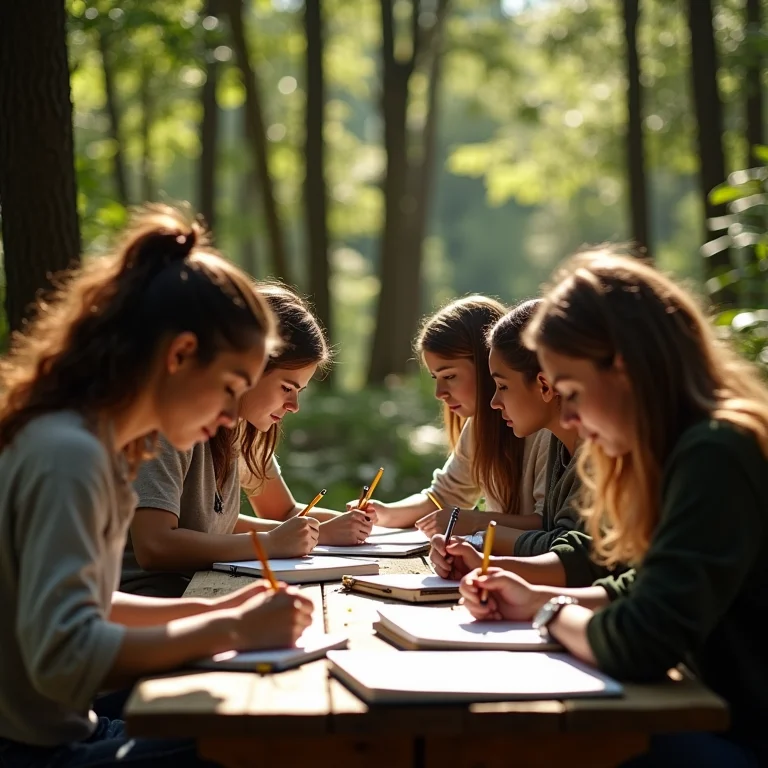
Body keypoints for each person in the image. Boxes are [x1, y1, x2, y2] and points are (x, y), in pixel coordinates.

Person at [0, 206, 313, 767]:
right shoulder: (68, 455)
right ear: (180, 354)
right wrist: (230, 628)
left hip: (72, 730)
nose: (228, 418)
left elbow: (92, 605)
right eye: (228, 388)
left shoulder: (96, 444)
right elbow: (63, 656)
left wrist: (222, 613)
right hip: (31, 751)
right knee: (271, 747)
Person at [460, 250, 768, 766]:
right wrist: (534, 597)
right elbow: (645, 584)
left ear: (623, 367)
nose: (572, 418)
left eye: (573, 392)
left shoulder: (716, 451)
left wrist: (552, 610)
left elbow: (641, 640)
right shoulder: (684, 448)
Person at [122, 284, 372, 597]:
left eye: (300, 392)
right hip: (152, 598)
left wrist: (325, 530)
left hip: (203, 584)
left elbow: (269, 515)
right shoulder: (168, 423)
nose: (294, 406)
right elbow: (155, 546)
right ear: (252, 365)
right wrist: (270, 543)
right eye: (286, 388)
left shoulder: (244, 427)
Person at [355, 296, 549, 542]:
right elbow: (443, 498)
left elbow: (549, 524)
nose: (440, 393)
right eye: (436, 378)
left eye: (450, 376)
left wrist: (475, 521)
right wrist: (381, 513)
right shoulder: (481, 426)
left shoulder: (547, 430)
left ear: (488, 364)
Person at [431, 299, 596, 586]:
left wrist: (482, 542)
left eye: (503, 386)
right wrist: (479, 546)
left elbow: (578, 553)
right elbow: (558, 537)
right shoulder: (562, 444)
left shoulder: (599, 449)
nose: (493, 402)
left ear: (544, 385)